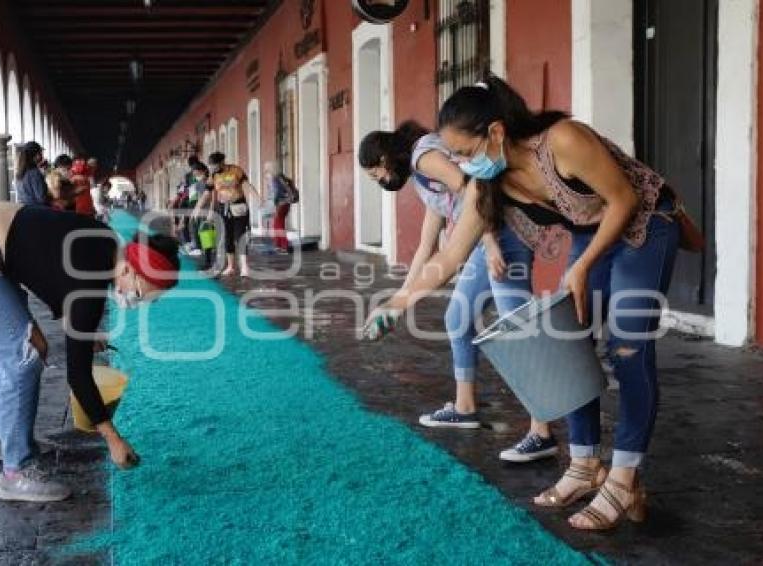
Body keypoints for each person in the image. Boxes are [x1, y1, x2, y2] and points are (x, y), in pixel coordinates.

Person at [369, 76, 679, 530]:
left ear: (496, 132)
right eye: (453, 156)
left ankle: (624, 477)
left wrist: (581, 265)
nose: (460, 165)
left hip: (647, 225)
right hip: (593, 234)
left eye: (465, 153)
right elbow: (450, 256)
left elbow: (623, 199)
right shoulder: (486, 186)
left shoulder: (562, 140)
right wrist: (396, 303)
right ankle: (584, 464)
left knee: (628, 348)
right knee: (567, 342)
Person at [0, 201, 180, 502]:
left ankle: (5, 441)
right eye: (139, 293)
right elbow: (77, 374)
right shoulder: (89, 286)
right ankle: (16, 472)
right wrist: (112, 437)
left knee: (8, 347)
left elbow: (53, 273)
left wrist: (82, 333)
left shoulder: (106, 240)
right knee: (24, 351)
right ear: (128, 268)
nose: (133, 301)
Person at [358, 120, 556, 461]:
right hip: (483, 238)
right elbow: (425, 246)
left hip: (501, 231)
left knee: (517, 328)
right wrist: (396, 302)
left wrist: (491, 241)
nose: (381, 183)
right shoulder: (423, 178)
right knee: (458, 318)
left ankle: (542, 431)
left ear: (386, 160)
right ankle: (464, 407)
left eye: (377, 176)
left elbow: (472, 190)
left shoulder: (422, 156)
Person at [202, 152, 259, 277]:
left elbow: (246, 185)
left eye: (215, 165)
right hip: (223, 209)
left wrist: (258, 197)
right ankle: (231, 266)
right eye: (211, 166)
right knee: (227, 237)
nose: (213, 168)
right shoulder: (213, 175)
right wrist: (199, 207)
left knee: (240, 236)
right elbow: (208, 192)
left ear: (222, 162)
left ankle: (245, 267)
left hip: (238, 207)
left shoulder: (235, 170)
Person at [265, 162, 296, 254]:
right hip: (286, 203)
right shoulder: (282, 177)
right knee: (277, 224)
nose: (266, 169)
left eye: (267, 168)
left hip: (281, 203)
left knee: (278, 225)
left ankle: (284, 246)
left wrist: (274, 202)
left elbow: (277, 191)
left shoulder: (275, 178)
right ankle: (278, 245)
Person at [15, 142, 49, 206]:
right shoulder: (34, 173)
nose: (42, 156)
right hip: (36, 211)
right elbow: (41, 198)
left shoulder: (20, 172)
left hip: (23, 209)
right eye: (40, 153)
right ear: (36, 155)